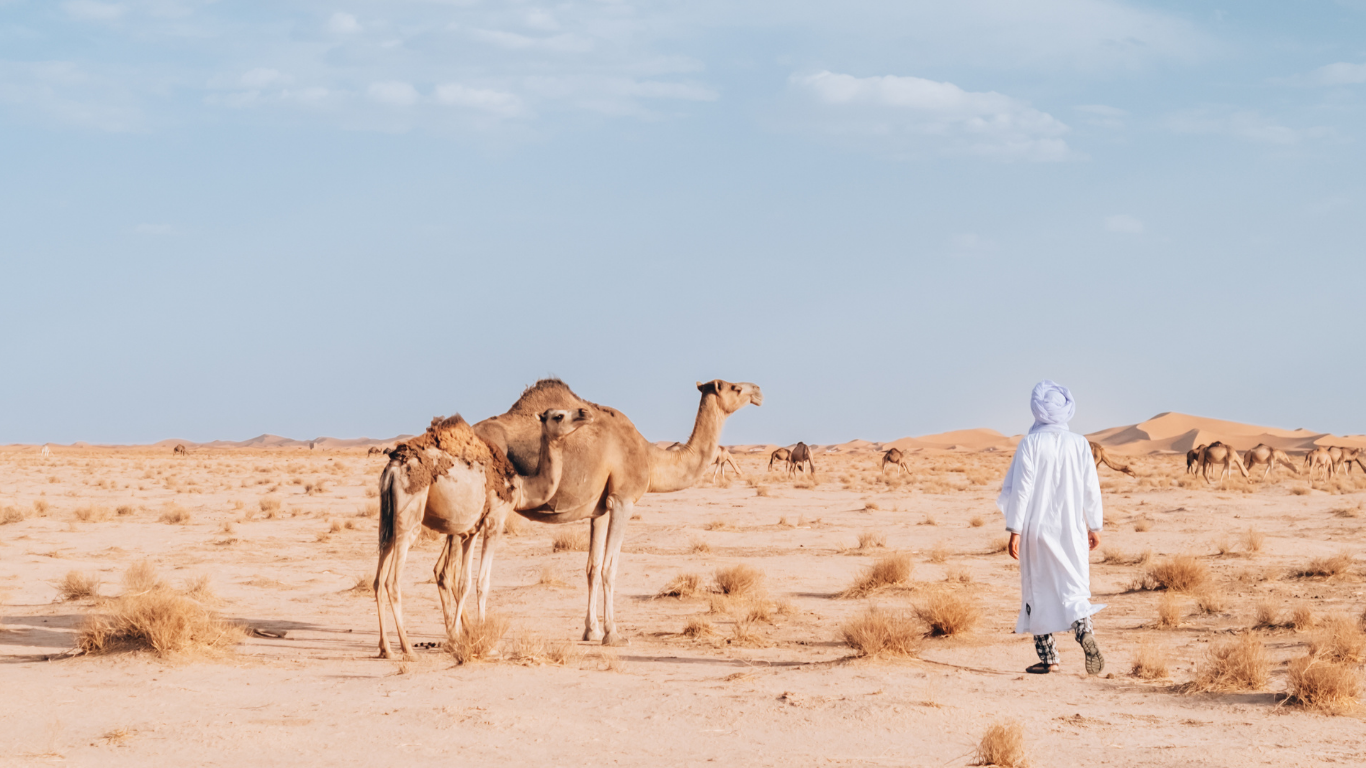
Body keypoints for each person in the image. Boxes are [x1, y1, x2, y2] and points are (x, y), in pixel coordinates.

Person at [996, 380, 1105, 675]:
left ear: (1037, 409)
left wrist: (1014, 529)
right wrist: (1094, 525)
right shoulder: (1080, 443)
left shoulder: (1030, 443)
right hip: (1072, 527)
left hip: (1036, 527)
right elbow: (1090, 488)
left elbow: (1022, 489)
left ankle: (1049, 658)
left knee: (1039, 589)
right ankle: (1084, 631)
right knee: (1073, 586)